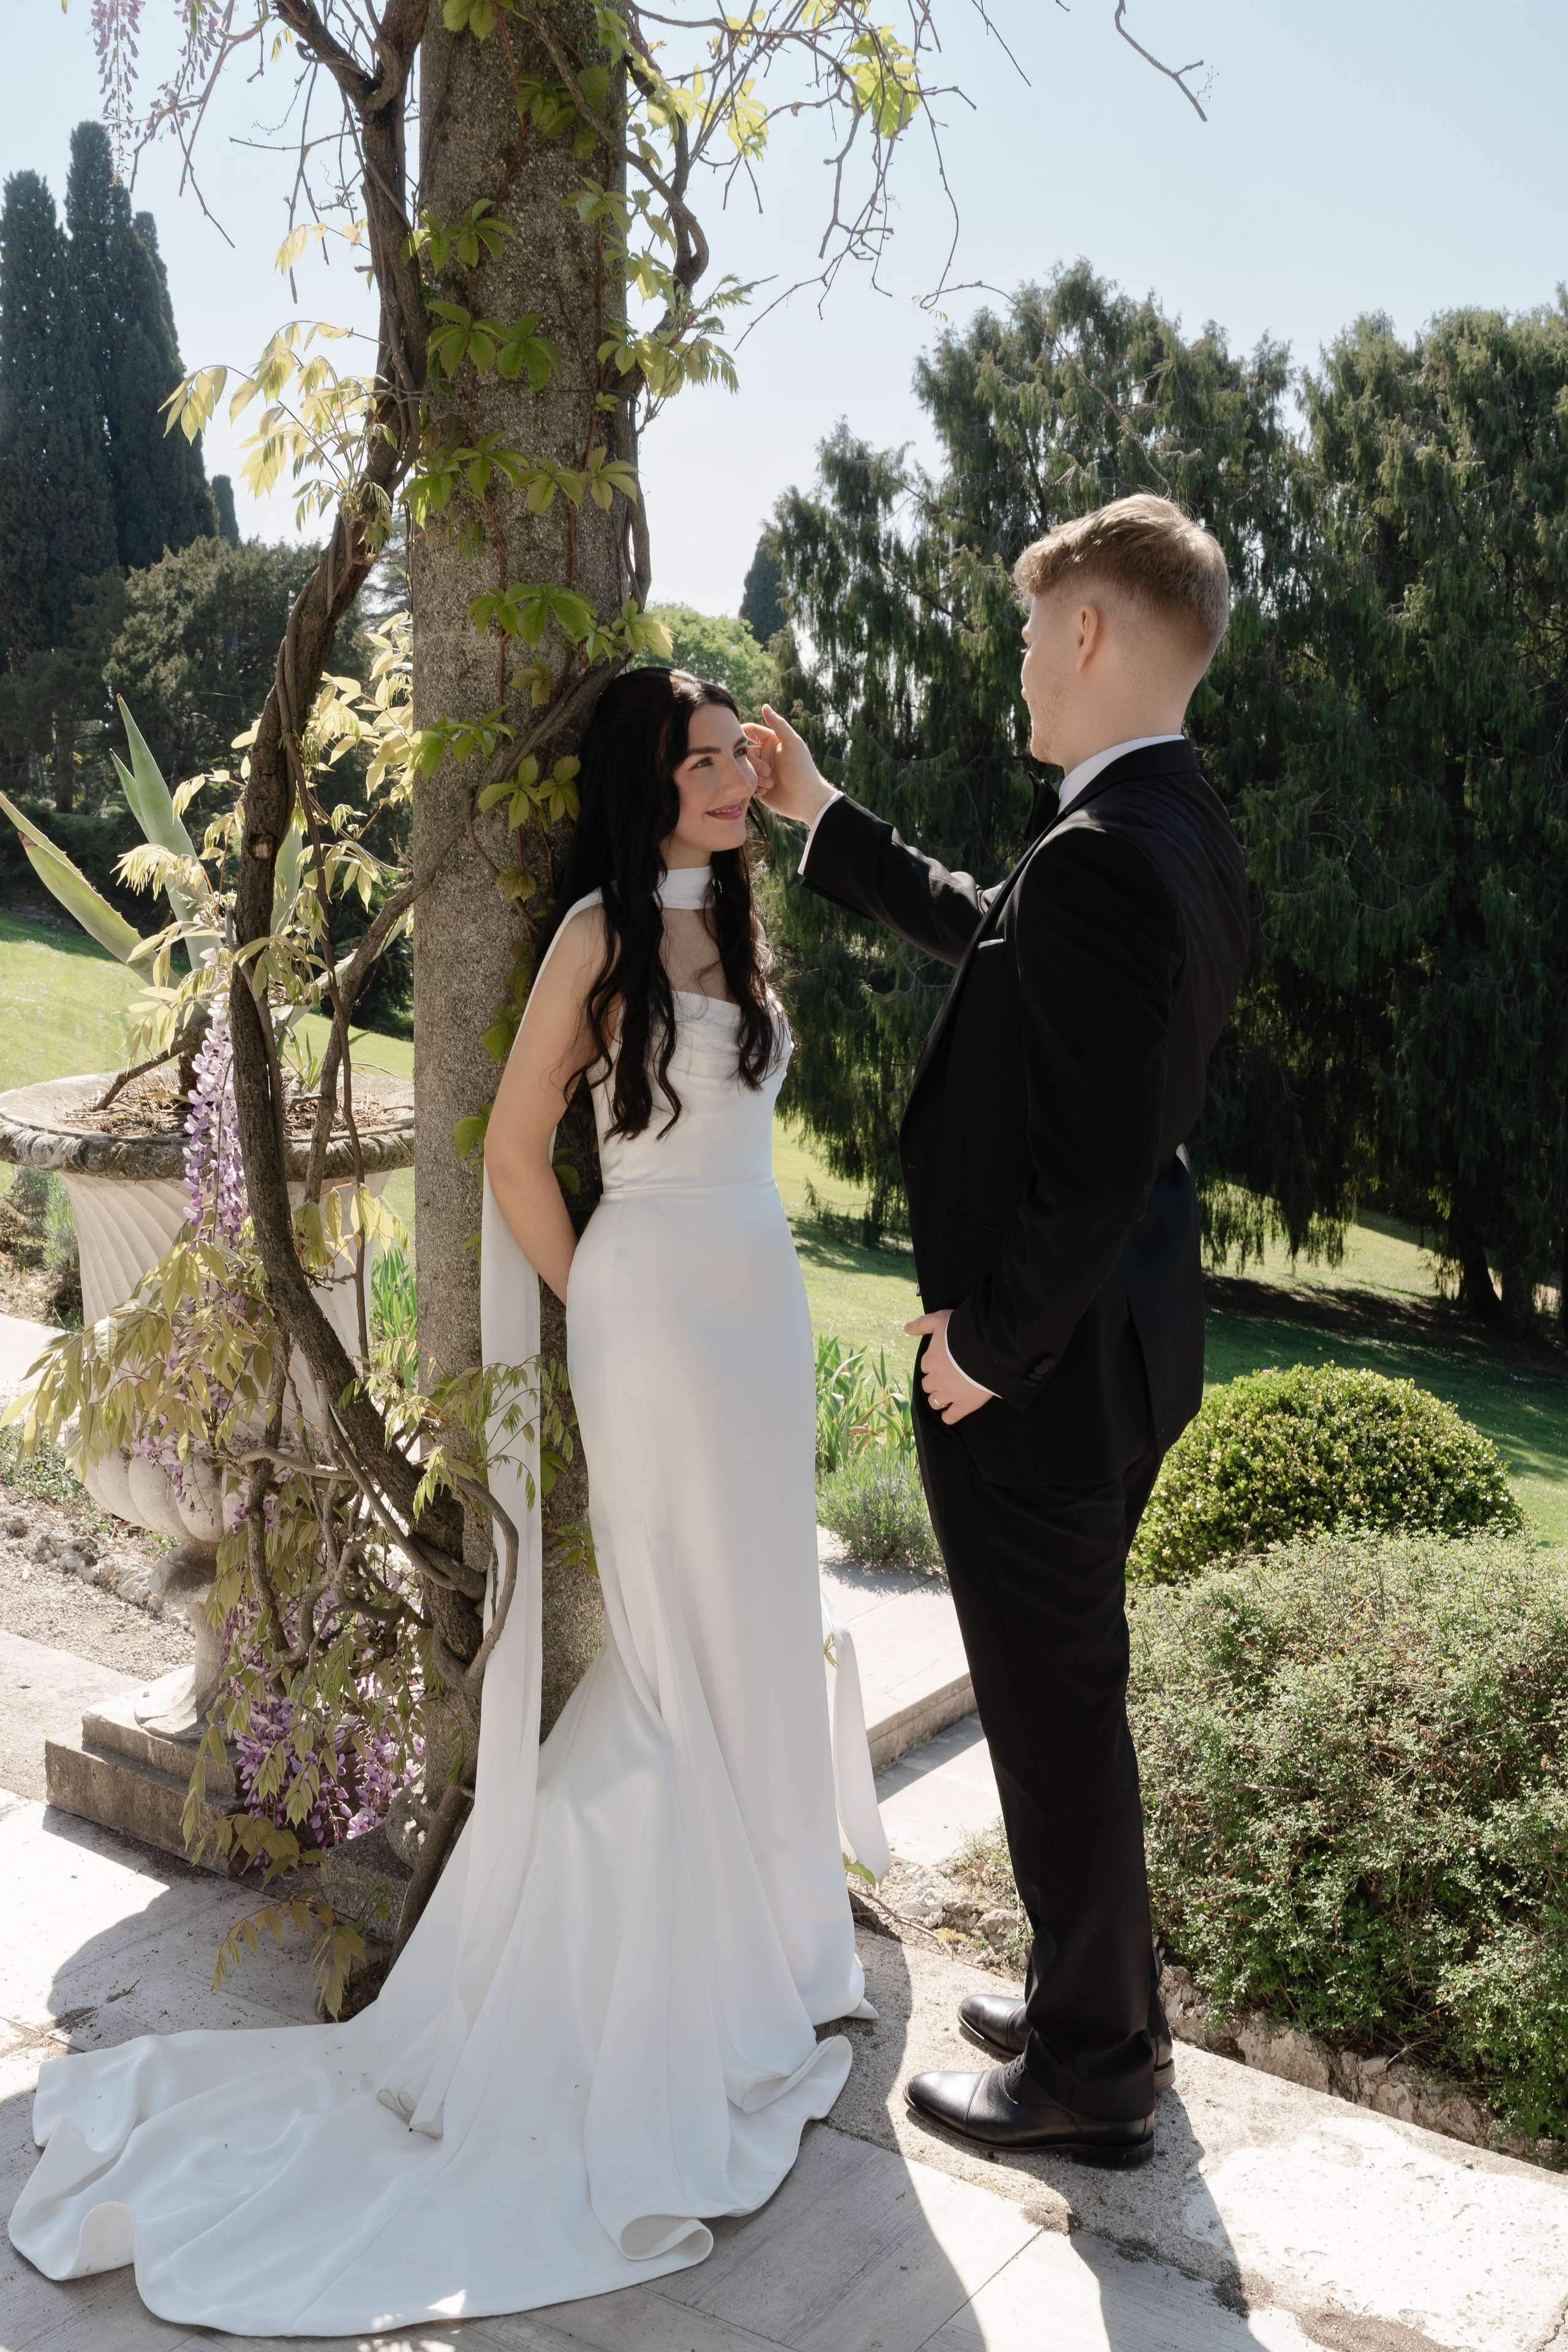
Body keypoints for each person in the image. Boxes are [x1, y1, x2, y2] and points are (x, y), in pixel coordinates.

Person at [7, 665, 888, 2335]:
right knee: (673, 1633)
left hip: (762, 1313)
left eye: (731, 755)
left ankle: (778, 1953)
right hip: (650, 1312)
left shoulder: (745, 931)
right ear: (645, 787)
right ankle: (669, 1983)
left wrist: (802, 796)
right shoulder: (593, 939)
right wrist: (602, 1300)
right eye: (695, 760)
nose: (721, 775)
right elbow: (510, 1147)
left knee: (763, 1615)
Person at [753, 492, 1251, 2166]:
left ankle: (1096, 2075)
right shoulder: (1173, 823)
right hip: (1127, 1352)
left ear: (1093, 629)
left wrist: (986, 1350)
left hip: (1040, 1376)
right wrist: (828, 820)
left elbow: (1100, 1163)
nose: (1020, 665)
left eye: (1036, 631)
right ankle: (1095, 2001)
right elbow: (1001, 940)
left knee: (1051, 1716)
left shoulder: (1110, 850)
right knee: (1069, 1700)